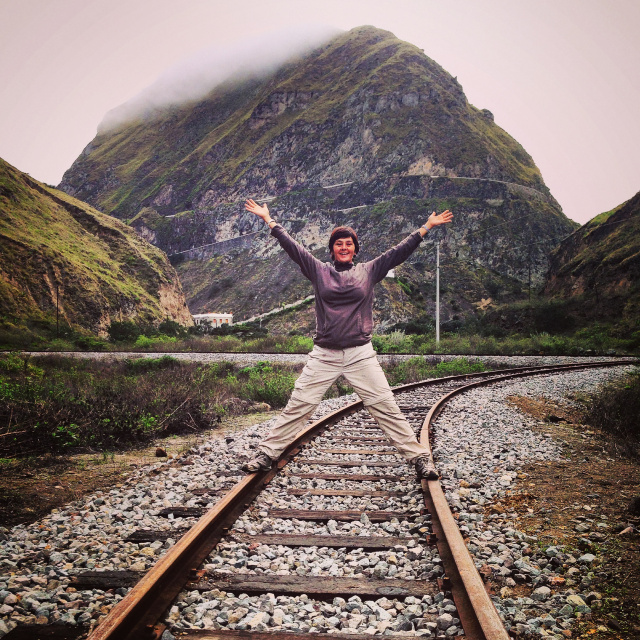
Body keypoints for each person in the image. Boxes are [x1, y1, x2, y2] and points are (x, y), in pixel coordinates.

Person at [241, 198, 453, 479]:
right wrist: (269, 220)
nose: (344, 247)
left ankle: (419, 458)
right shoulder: (318, 270)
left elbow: (399, 251)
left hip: (360, 353)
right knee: (299, 404)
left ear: (355, 249)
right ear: (332, 250)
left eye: (348, 243)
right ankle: (267, 454)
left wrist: (427, 226)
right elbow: (292, 247)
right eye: (338, 244)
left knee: (385, 405)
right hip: (324, 354)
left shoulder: (369, 270)